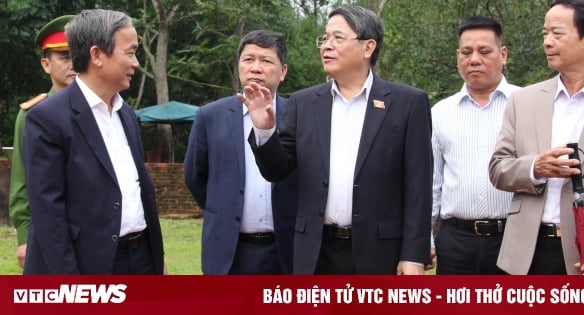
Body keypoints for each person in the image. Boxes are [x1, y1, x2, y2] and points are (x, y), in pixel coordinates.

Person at [239, 6, 433, 274]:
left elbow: (418, 188)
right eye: (324, 38)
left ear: (368, 47)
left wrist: (413, 255)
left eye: (337, 38)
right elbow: (277, 170)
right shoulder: (304, 102)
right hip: (317, 253)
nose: (326, 46)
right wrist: (264, 131)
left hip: (380, 254)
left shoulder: (407, 103)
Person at [22, 9, 164, 274]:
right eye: (130, 53)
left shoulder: (126, 114)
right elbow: (48, 213)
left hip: (141, 258)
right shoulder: (48, 119)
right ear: (97, 55)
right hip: (88, 263)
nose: (135, 64)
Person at [489, 0, 584, 275]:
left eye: (557, 34)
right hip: (527, 255)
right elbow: (498, 168)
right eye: (544, 34)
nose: (547, 43)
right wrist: (535, 168)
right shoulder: (523, 100)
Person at [184, 30, 297, 274]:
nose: (256, 68)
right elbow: (195, 177)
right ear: (238, 67)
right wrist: (224, 208)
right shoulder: (210, 116)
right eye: (248, 60)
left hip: (285, 252)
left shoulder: (298, 116)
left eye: (266, 61)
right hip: (230, 252)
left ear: (283, 71)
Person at [430, 16, 520, 274]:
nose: (474, 59)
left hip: (513, 239)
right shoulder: (441, 112)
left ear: (503, 54)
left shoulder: (526, 103)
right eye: (466, 52)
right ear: (458, 56)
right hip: (456, 241)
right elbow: (431, 183)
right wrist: (425, 239)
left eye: (484, 51)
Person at [8, 15, 76, 269]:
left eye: (77, 56)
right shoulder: (34, 114)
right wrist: (25, 238)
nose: (73, 64)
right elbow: (21, 183)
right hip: (50, 232)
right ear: (46, 64)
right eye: (65, 57)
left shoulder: (103, 109)